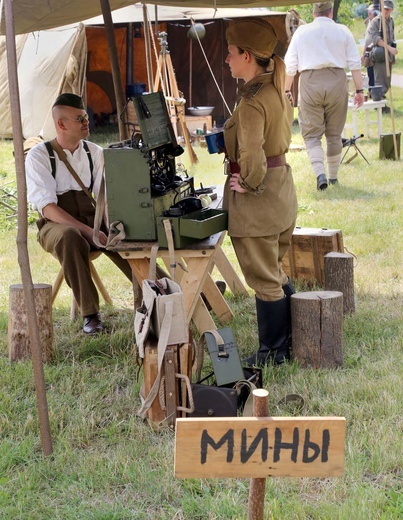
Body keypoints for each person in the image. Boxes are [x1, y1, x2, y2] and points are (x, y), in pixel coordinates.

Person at [26, 93, 134, 335]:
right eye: (79, 118)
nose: (87, 121)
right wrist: (88, 231)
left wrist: (111, 227)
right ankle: (91, 315)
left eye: (86, 117)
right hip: (55, 224)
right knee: (71, 236)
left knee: (126, 231)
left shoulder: (94, 152)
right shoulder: (40, 156)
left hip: (91, 217)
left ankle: (161, 290)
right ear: (61, 124)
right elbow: (48, 208)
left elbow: (104, 199)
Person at [222, 18, 298, 366]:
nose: (227, 59)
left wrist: (247, 182)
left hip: (260, 202)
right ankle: (293, 338)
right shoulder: (276, 88)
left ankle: (275, 352)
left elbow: (251, 155)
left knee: (264, 278)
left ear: (247, 56)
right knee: (275, 272)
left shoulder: (253, 101)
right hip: (281, 194)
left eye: (231, 53)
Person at [284, 1, 364, 190]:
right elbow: (354, 63)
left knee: (312, 135)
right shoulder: (343, 30)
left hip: (310, 82)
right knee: (334, 134)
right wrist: (360, 91)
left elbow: (291, 65)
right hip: (336, 80)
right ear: (330, 13)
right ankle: (334, 177)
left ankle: (320, 175)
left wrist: (287, 90)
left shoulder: (302, 32)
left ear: (313, 14)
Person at [364, 0, 397, 104]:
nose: (385, 11)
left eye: (387, 9)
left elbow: (392, 38)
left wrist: (392, 54)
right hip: (379, 55)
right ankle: (378, 104)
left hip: (388, 54)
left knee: (386, 80)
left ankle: (381, 101)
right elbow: (376, 39)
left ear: (392, 10)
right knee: (379, 81)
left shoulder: (391, 21)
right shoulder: (376, 21)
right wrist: (389, 48)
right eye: (384, 8)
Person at [362, 4, 380, 91]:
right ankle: (371, 92)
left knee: (375, 76)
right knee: (370, 75)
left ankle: (375, 93)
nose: (369, 13)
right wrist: (363, 54)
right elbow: (366, 40)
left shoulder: (377, 23)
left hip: (375, 53)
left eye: (370, 11)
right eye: (368, 12)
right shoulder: (369, 22)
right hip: (369, 53)